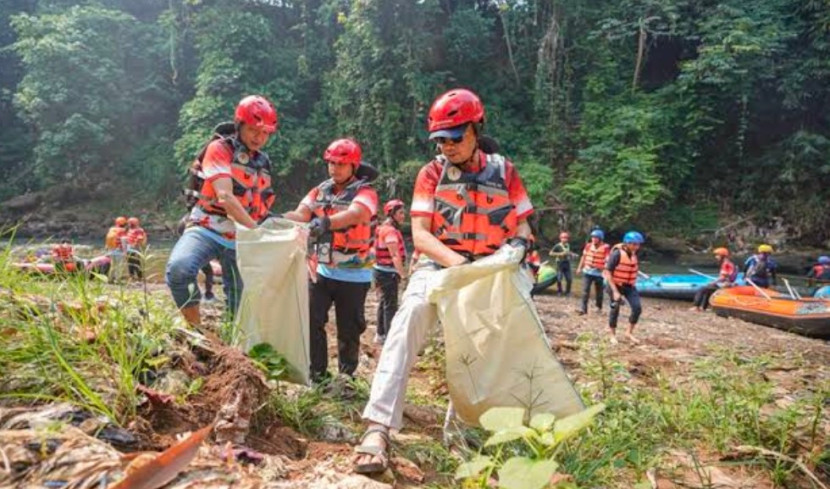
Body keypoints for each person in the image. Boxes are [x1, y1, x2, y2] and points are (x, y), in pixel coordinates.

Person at [354, 88, 534, 474]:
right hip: (439, 265)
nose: (447, 146)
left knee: (481, 345)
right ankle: (378, 427)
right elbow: (420, 235)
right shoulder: (431, 173)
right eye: (441, 139)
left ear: (476, 128)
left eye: (455, 137)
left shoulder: (505, 172)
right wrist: (459, 267)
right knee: (409, 318)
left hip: (488, 269)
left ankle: (462, 432)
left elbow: (522, 222)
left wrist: (517, 246)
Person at [166, 95, 278, 326]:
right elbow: (225, 196)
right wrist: (256, 231)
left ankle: (232, 346)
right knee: (180, 269)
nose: (260, 137)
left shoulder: (262, 162)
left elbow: (261, 204)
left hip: (242, 237)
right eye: (254, 130)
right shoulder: (219, 148)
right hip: (207, 226)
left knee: (240, 302)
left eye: (265, 132)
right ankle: (195, 330)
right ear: (239, 126)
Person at [284, 138, 378, 385]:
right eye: (331, 163)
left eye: (341, 164)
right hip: (322, 271)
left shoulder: (365, 193)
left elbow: (355, 214)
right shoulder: (319, 191)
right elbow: (301, 213)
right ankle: (317, 375)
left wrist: (325, 222)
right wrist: (276, 219)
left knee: (349, 328)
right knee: (312, 319)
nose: (334, 169)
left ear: (353, 166)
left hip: (354, 274)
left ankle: (346, 377)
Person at [373, 199, 407, 345]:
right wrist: (403, 274)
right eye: (400, 213)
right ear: (392, 214)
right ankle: (389, 337)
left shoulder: (381, 228)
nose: (403, 216)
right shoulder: (390, 231)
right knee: (390, 305)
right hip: (388, 273)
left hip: (380, 271)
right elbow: (394, 255)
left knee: (384, 302)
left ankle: (380, 334)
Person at [603, 231, 644, 344]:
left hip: (629, 286)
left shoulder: (634, 253)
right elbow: (608, 272)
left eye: (638, 244)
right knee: (615, 308)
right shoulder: (616, 254)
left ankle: (628, 333)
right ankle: (612, 334)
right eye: (635, 244)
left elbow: (630, 265)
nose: (637, 247)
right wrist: (615, 292)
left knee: (637, 308)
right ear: (627, 243)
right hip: (615, 285)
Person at [690, 247, 737, 312]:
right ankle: (704, 308)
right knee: (708, 290)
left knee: (701, 289)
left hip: (725, 285)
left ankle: (696, 306)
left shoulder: (726, 264)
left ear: (722, 256)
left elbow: (723, 278)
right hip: (727, 283)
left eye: (717, 255)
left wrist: (713, 282)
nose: (716, 257)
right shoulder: (729, 263)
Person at [575, 229, 610, 315]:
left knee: (599, 292)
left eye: (596, 238)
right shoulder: (588, 246)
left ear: (600, 239)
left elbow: (608, 261)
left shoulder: (606, 248)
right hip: (588, 271)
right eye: (593, 238)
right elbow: (583, 257)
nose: (594, 239)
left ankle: (599, 307)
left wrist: (604, 269)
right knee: (585, 290)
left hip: (599, 272)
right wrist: (579, 268)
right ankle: (583, 309)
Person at [550, 231, 574, 296]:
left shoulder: (568, 245)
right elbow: (551, 253)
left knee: (569, 279)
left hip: (567, 264)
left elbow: (568, 252)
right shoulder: (557, 246)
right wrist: (560, 254)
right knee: (559, 279)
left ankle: (567, 292)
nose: (565, 239)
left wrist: (571, 255)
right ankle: (559, 291)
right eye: (563, 237)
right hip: (560, 264)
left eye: (566, 237)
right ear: (560, 238)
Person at [105, 217, 128, 282]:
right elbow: (123, 240)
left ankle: (110, 279)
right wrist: (125, 251)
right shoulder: (122, 230)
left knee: (113, 265)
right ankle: (118, 280)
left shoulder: (111, 229)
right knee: (119, 266)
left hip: (111, 250)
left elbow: (107, 239)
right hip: (119, 251)